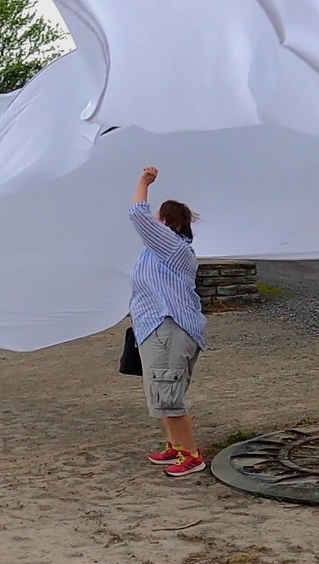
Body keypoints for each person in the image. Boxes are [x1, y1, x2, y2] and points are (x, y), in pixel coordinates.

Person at [128, 165, 208, 477]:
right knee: (161, 391)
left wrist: (144, 182)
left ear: (166, 223)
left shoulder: (172, 246)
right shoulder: (162, 251)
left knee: (168, 394)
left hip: (168, 327)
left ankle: (191, 455)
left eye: (157, 218)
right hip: (159, 329)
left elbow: (137, 214)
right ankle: (176, 446)